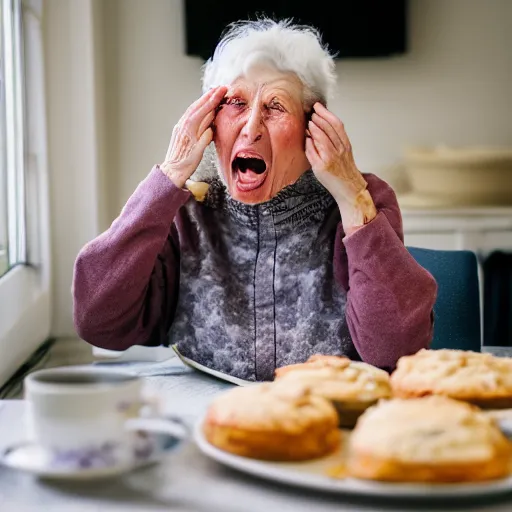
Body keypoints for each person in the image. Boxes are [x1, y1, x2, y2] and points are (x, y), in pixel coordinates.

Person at [72, 19, 437, 381]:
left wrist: (353, 198)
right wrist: (167, 178)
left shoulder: (363, 201)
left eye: (275, 106)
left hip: (324, 423)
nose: (250, 128)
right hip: (207, 422)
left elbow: (396, 353)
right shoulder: (183, 209)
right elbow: (97, 322)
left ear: (314, 127)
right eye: (235, 103)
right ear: (210, 123)